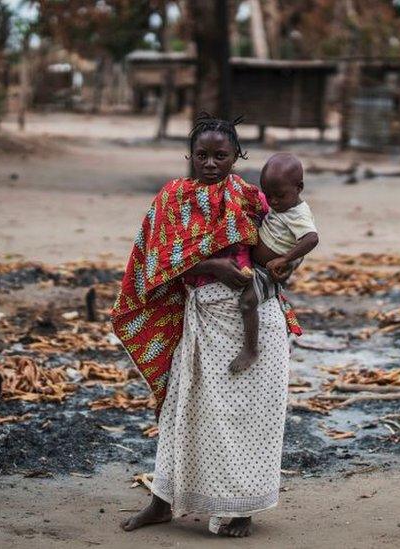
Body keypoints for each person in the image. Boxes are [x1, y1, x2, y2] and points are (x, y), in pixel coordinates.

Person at [111, 114, 301, 538]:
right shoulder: (173, 198)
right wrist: (215, 265)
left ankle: (242, 509)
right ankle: (162, 502)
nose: (211, 163)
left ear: (237, 156)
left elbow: (282, 245)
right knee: (184, 411)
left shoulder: (252, 199)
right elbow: (156, 262)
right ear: (189, 156)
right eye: (202, 154)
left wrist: (278, 268)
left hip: (255, 319)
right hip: (203, 319)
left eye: (221, 155)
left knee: (250, 417)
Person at [228, 153, 318, 372]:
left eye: (280, 196)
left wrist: (286, 259)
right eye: (269, 195)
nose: (274, 201)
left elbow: (311, 238)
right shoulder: (280, 207)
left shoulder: (298, 214)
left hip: (266, 272)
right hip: (256, 263)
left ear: (299, 188)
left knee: (248, 302)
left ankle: (251, 349)